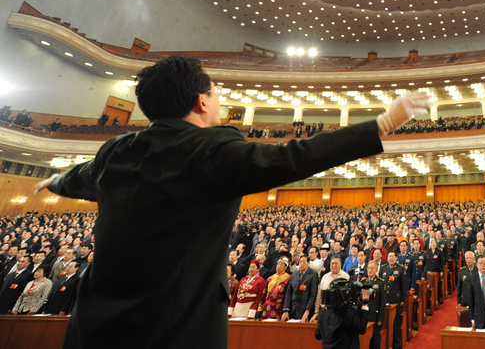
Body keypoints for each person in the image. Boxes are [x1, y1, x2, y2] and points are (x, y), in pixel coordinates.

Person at [34, 56, 429, 349]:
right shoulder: (212, 150)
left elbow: (79, 179)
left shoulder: (115, 151)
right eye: (216, 94)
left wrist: (53, 181)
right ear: (201, 102)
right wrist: (383, 123)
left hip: (90, 330)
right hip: (174, 332)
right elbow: (297, 155)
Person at [379, 251, 407, 349]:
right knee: (386, 323)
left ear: (396, 257)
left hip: (395, 300)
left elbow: (404, 286)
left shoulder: (400, 268)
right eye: (389, 256)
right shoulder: (383, 268)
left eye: (392, 256)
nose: (390, 258)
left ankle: (396, 345)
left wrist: (402, 299)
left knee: (395, 324)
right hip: (385, 300)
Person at [282, 254, 318, 322]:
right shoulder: (294, 274)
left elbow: (313, 295)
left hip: (304, 310)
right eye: (300, 262)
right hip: (292, 309)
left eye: (303, 262)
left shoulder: (313, 274)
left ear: (308, 263)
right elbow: (288, 293)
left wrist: (307, 311)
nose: (301, 264)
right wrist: (286, 310)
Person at [361, 261, 385, 349]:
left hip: (375, 316)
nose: (370, 270)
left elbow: (382, 302)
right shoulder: (363, 282)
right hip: (364, 315)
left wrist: (380, 318)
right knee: (364, 339)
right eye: (368, 268)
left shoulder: (380, 283)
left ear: (376, 270)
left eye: (372, 268)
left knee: (375, 340)